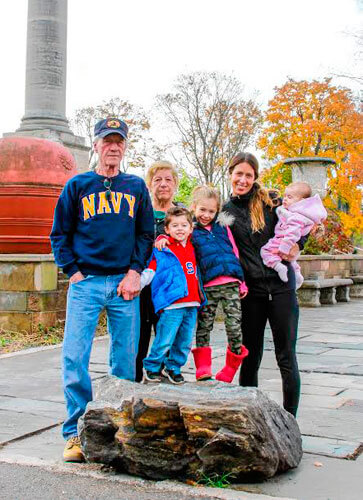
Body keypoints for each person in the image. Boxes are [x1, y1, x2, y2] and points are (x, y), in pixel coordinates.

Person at [50, 117, 154, 462]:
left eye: (119, 142)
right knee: (75, 357)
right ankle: (75, 433)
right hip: (87, 283)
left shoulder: (136, 187)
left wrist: (135, 272)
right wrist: (74, 273)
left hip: (124, 285)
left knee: (124, 361)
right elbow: (59, 235)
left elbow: (144, 235)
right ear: (95, 145)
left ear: (125, 147)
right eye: (107, 141)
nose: (113, 147)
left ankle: (118, 429)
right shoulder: (77, 186)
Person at [223, 152, 305, 417]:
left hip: (281, 287)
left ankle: (291, 419)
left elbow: (303, 221)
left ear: (255, 177)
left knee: (286, 356)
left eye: (248, 175)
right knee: (250, 356)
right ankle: (250, 418)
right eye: (239, 174)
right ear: (230, 175)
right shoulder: (225, 212)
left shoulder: (272, 202)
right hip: (252, 293)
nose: (243, 179)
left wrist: (297, 245)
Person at [162, 186, 250, 383]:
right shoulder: (190, 230)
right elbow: (175, 237)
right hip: (208, 286)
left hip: (231, 284)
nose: (206, 215)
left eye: (211, 211)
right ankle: (203, 367)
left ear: (217, 210)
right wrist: (162, 238)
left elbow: (234, 252)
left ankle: (231, 366)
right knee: (204, 326)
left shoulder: (222, 227)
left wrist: (242, 282)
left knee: (234, 327)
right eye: (202, 210)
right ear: (194, 207)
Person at [140, 206, 206, 384]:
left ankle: (173, 367)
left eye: (184, 225)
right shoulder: (163, 249)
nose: (180, 229)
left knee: (184, 341)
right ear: (167, 229)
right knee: (165, 339)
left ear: (191, 228)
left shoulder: (193, 246)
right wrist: (138, 283)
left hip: (192, 303)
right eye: (175, 225)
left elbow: (206, 231)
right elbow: (151, 269)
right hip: (172, 304)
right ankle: (152, 367)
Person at [135, 161, 181, 382]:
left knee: (169, 335)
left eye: (168, 179)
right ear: (149, 185)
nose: (163, 184)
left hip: (172, 288)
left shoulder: (183, 215)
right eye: (157, 180)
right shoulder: (140, 212)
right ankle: (134, 382)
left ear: (175, 184)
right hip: (144, 284)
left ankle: (165, 383)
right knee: (140, 336)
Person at [261, 182, 327, 289]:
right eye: (285, 196)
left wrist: (292, 245)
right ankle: (297, 274)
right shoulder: (293, 210)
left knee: (265, 252)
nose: (285, 199)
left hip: (283, 243)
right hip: (284, 246)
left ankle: (279, 267)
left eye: (289, 197)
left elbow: (295, 231)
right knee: (292, 262)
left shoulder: (293, 213)